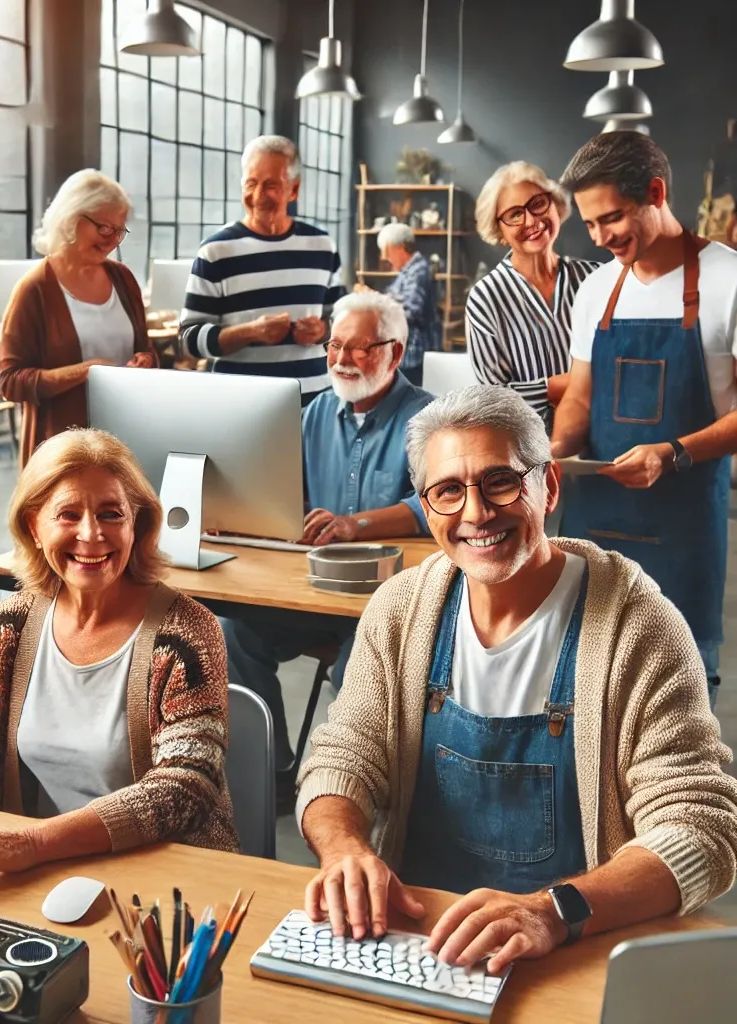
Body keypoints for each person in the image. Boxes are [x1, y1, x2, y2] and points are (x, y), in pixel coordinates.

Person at [297, 385, 737, 972]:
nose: (475, 513)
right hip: (421, 943)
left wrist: (552, 912)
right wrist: (344, 848)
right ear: (427, 509)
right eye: (448, 491)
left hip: (574, 946)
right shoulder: (401, 609)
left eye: (500, 481)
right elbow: (342, 754)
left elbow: (702, 829)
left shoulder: (639, 626)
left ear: (548, 486)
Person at [0, 428, 238, 875]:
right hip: (42, 871)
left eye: (112, 514)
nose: (91, 535)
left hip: (169, 878)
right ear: (34, 527)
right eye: (68, 515)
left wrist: (32, 842)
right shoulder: (11, 625)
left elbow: (184, 788)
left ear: (138, 523)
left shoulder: (187, 633)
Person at [220, 291, 432, 804]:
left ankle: (352, 790)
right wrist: (248, 514)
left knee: (357, 666)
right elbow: (286, 494)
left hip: (384, 599)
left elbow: (433, 506)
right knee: (232, 630)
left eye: (359, 350)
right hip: (313, 589)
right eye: (334, 346)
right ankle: (272, 770)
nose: (340, 361)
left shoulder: (429, 419)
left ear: (395, 352)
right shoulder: (315, 413)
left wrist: (354, 525)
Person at [553, 132, 737, 709]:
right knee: (589, 697)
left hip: (682, 529)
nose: (602, 238)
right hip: (595, 526)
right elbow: (579, 397)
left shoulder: (727, 279)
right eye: (589, 225)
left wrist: (672, 451)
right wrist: (554, 449)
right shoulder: (596, 289)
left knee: (678, 701)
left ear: (656, 192)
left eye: (612, 218)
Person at [0, 169, 157, 468]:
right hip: (62, 452)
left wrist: (146, 360)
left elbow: (145, 348)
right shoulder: (34, 289)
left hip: (127, 443)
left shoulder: (123, 279)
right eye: (104, 228)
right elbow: (10, 382)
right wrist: (86, 371)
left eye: (120, 230)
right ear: (71, 220)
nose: (113, 240)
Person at [180, 135, 345, 407]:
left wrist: (323, 331)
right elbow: (189, 340)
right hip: (240, 407)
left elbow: (341, 320)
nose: (258, 196)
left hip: (316, 406)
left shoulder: (322, 246)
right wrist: (249, 332)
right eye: (251, 183)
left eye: (271, 185)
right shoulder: (215, 251)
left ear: (294, 189)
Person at [467, 162, 601, 430]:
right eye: (514, 214)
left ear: (556, 205)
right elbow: (493, 400)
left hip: (603, 441)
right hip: (529, 453)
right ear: (499, 231)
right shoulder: (486, 297)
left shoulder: (596, 277)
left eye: (538, 203)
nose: (531, 221)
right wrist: (566, 384)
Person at [375, 223, 441, 387]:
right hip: (408, 351)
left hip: (416, 352)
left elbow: (412, 311)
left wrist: (380, 303)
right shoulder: (408, 271)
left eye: (387, 251)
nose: (385, 257)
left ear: (401, 247)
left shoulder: (418, 270)